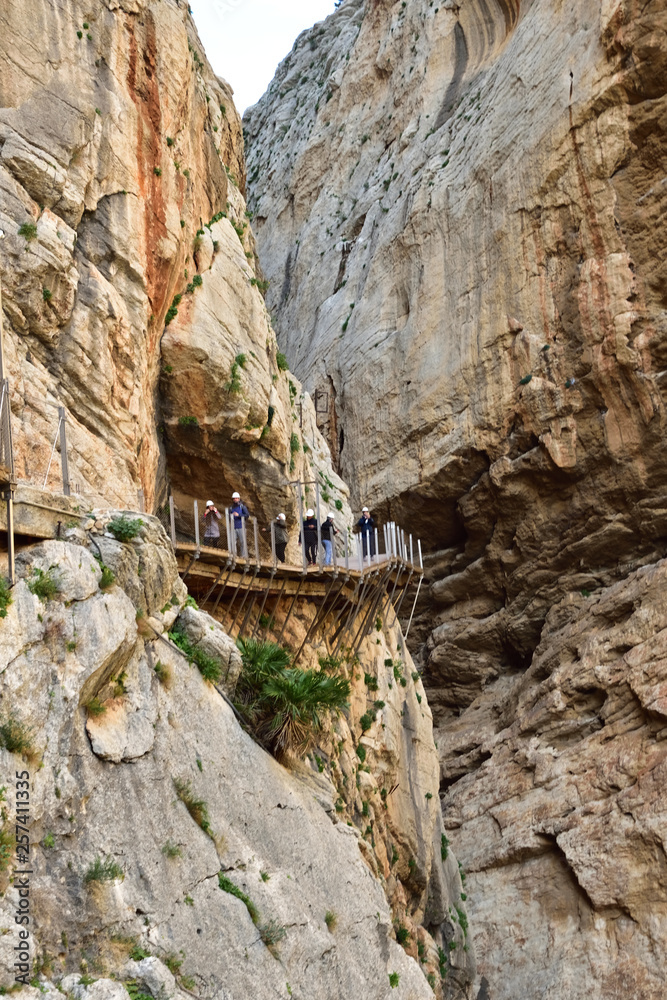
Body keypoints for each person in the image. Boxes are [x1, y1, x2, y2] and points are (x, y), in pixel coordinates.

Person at [230, 491, 250, 556]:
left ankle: (243, 556)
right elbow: (228, 516)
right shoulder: (231, 508)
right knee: (232, 541)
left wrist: (238, 515)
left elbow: (247, 515)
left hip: (241, 526)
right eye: (234, 498)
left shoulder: (242, 507)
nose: (235, 499)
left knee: (242, 542)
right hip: (234, 526)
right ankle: (233, 555)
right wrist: (231, 515)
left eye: (236, 498)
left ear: (239, 498)